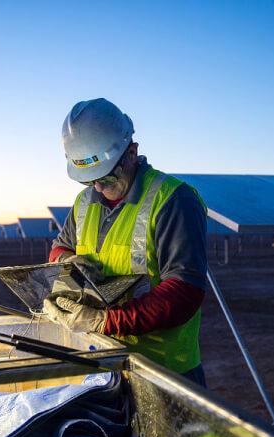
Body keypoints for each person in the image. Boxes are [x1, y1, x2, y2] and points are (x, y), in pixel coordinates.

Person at [43, 98, 208, 387]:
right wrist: (65, 263)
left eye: (105, 177)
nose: (97, 187)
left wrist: (103, 321)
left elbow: (184, 293)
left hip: (164, 372)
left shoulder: (173, 200)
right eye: (88, 180)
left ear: (131, 153)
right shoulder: (84, 202)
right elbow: (59, 247)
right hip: (101, 361)